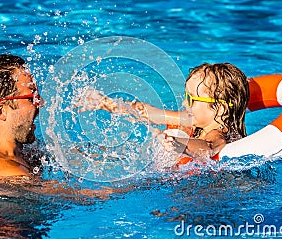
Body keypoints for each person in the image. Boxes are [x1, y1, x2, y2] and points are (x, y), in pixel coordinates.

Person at [77, 62, 249, 164]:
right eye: (186, 96)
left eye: (191, 99)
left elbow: (209, 147)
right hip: (168, 170)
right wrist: (105, 103)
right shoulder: (194, 120)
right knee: (89, 152)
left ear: (219, 108)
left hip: (190, 190)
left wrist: (179, 144)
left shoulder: (219, 134)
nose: (184, 103)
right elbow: (149, 113)